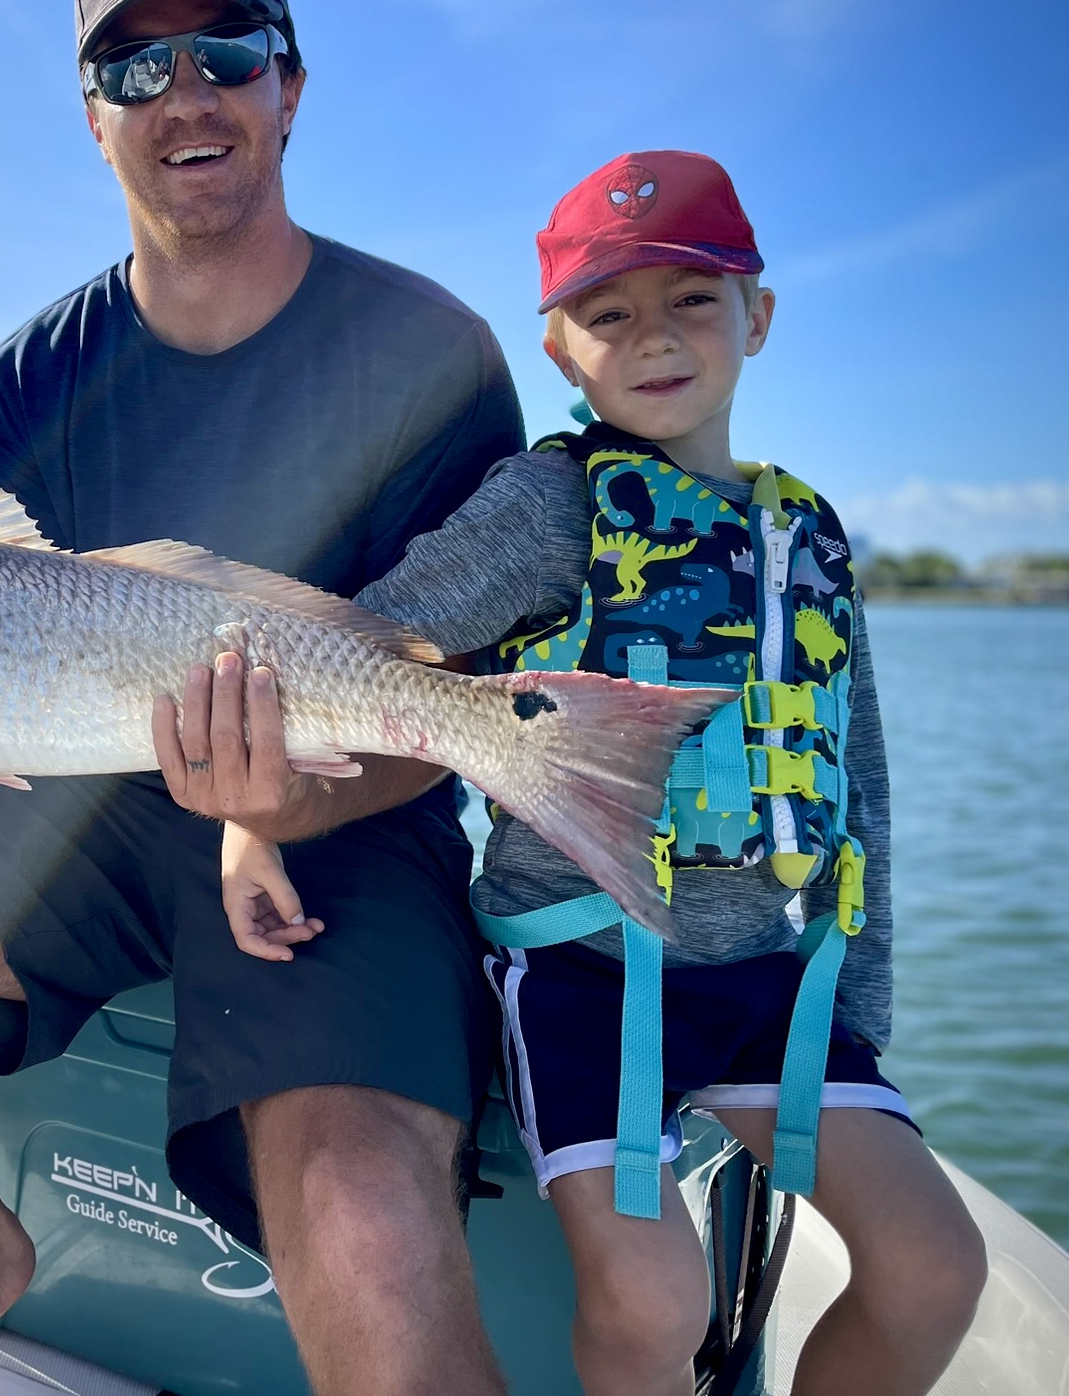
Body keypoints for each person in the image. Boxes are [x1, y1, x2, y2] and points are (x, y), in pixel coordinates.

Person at [0, 0, 525, 1396]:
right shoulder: (30, 382)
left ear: (291, 86)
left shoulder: (434, 354)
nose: (185, 94)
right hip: (90, 807)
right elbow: (7, 675)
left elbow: (442, 690)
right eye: (135, 69)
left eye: (227, 52)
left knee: (361, 1228)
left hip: (347, 829)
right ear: (92, 118)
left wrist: (285, 803)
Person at [223, 152, 989, 1395]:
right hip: (586, 971)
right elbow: (365, 646)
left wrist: (863, 1011)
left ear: (758, 315)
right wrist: (255, 823)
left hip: (775, 980)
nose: (654, 336)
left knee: (936, 1266)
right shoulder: (547, 505)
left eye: (692, 298)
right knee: (653, 1297)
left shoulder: (812, 537)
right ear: (560, 353)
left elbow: (864, 785)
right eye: (608, 312)